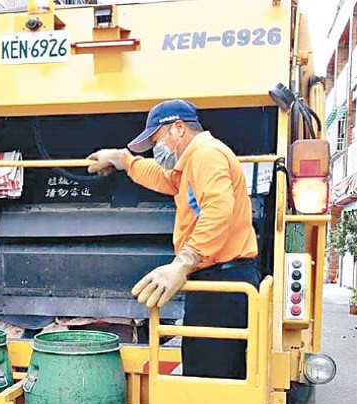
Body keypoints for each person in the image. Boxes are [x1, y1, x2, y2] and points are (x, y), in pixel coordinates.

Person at [87, 99, 260, 379]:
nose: (158, 149)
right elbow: (165, 178)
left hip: (223, 286)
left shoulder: (206, 155)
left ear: (178, 128)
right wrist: (124, 160)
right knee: (211, 369)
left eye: (157, 139)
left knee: (210, 376)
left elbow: (218, 210)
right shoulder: (192, 161)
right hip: (218, 282)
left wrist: (183, 263)